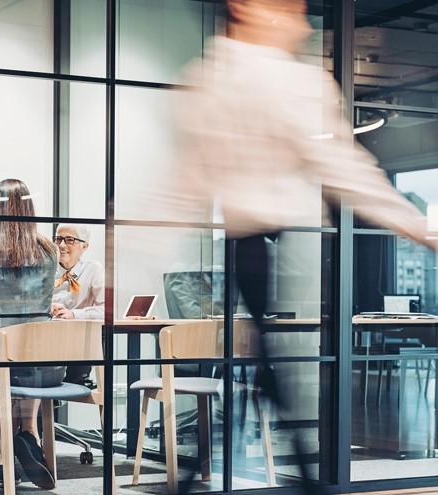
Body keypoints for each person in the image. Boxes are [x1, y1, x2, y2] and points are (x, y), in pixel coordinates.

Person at [172, 1, 437, 493]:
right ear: (246, 9)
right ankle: (290, 479)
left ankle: (204, 476)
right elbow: (345, 169)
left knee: (268, 375)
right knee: (270, 377)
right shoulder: (273, 80)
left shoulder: (217, 76)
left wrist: (415, 227)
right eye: (285, 4)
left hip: (265, 241)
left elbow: (344, 169)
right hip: (259, 243)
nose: (297, 14)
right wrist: (417, 228)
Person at [0, 179, 61, 490]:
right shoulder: (49, 248)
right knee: (28, 359)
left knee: (6, 365)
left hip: (2, 353)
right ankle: (29, 434)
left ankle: (3, 456)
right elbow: (46, 303)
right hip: (48, 361)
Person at [51, 224, 105, 320]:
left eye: (69, 240)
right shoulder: (45, 270)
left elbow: (106, 310)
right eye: (58, 239)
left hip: (80, 331)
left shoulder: (93, 269)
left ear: (84, 246)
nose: (61, 245)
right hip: (46, 330)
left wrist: (74, 314)